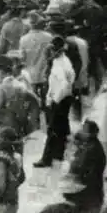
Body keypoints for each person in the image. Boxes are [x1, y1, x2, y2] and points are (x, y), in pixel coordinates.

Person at [33, 37, 75, 169]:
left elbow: (63, 84)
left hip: (60, 99)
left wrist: (54, 99)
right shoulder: (65, 61)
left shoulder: (58, 64)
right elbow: (71, 78)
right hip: (66, 98)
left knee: (52, 130)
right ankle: (58, 154)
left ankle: (46, 158)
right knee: (61, 128)